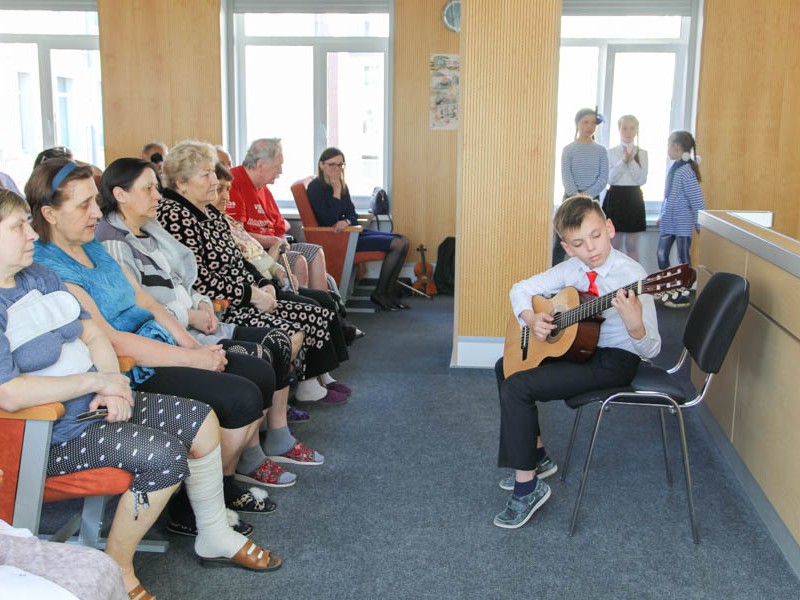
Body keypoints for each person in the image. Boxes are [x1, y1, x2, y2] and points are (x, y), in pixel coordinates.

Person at [0, 190, 282, 599]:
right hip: (46, 433)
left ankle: (214, 533)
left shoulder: (38, 276)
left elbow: (93, 333)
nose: (31, 234)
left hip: (96, 402)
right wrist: (97, 384)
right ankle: (118, 567)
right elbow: (8, 394)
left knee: (201, 420)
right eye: (18, 227)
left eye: (28, 224)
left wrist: (113, 384)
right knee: (166, 456)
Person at [26, 159, 282, 523]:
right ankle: (194, 503)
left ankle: (218, 484)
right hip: (132, 365)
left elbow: (146, 301)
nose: (96, 212)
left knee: (259, 372)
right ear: (50, 214)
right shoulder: (50, 267)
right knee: (239, 396)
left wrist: (192, 346)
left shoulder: (91, 245)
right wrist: (193, 359)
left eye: (94, 201)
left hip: (159, 343)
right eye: (84, 205)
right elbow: (111, 339)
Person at [96, 157, 311, 486]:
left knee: (275, 347)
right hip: (166, 340)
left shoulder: (151, 230)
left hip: (198, 321)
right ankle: (244, 461)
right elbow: (139, 311)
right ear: (120, 194)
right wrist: (193, 317)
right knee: (259, 362)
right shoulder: (115, 242)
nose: (157, 196)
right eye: (149, 189)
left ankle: (261, 446)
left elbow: (185, 281)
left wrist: (202, 305)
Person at [493, 196, 660, 529]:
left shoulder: (633, 276)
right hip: (581, 350)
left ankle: (527, 489)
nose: (591, 248)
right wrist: (531, 318)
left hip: (615, 360)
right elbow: (520, 288)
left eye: (596, 236)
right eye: (579, 244)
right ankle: (537, 457)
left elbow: (652, 349)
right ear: (567, 248)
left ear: (609, 228)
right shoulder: (573, 268)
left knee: (518, 387)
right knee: (505, 367)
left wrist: (635, 325)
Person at [158, 140, 349, 408]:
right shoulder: (174, 215)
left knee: (315, 311)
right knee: (301, 322)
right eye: (206, 175)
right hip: (225, 306)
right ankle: (290, 401)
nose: (214, 181)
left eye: (213, 172)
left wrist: (262, 282)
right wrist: (253, 295)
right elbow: (200, 280)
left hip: (247, 293)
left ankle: (307, 386)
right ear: (181, 183)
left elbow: (239, 258)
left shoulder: (209, 211)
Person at [307, 147, 411, 311]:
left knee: (403, 241)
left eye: (340, 165)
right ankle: (379, 293)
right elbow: (329, 220)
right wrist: (336, 191)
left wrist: (346, 220)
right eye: (332, 164)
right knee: (397, 244)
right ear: (321, 165)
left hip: (351, 233)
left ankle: (388, 292)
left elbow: (353, 215)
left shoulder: (342, 185)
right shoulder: (315, 188)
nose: (336, 169)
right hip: (337, 240)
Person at [226, 137, 328, 291]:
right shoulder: (234, 183)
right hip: (255, 253)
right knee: (299, 261)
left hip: (274, 245)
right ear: (260, 165)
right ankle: (301, 303)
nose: (280, 171)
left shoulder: (263, 189)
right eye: (277, 166)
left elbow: (279, 227)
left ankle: (322, 303)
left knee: (316, 253)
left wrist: (279, 241)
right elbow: (238, 235)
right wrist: (272, 241)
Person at [555, 108, 609, 264]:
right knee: (563, 239)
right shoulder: (569, 149)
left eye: (593, 123)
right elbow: (566, 175)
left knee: (590, 239)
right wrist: (576, 195)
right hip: (570, 199)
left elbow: (603, 178)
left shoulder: (601, 150)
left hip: (592, 200)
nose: (589, 126)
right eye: (585, 122)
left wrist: (587, 195)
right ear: (577, 124)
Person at [658, 130, 705, 308]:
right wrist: (662, 214)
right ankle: (666, 289)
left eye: (668, 146)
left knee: (683, 259)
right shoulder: (675, 167)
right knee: (662, 255)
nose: (667, 150)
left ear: (676, 147)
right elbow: (669, 196)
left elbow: (696, 199)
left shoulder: (686, 171)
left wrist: (700, 224)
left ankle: (683, 295)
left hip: (682, 222)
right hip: (668, 221)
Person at [604, 115, 648, 261]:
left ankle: (634, 274)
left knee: (631, 245)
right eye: (624, 128)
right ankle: (614, 274)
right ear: (619, 129)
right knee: (614, 244)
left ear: (637, 130)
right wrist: (623, 161)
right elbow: (610, 179)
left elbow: (641, 179)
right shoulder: (611, 152)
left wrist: (631, 161)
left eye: (632, 128)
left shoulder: (642, 153)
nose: (628, 132)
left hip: (633, 197)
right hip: (615, 196)